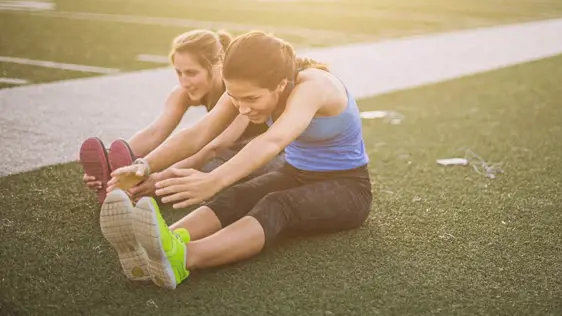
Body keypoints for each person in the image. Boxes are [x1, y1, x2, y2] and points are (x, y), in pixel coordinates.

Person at [100, 31, 373, 289]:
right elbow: (200, 133)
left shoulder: (315, 86)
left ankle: (184, 258)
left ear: (280, 84)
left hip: (347, 187)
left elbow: (272, 140)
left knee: (277, 205)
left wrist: (213, 180)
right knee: (239, 195)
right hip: (295, 172)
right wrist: (143, 165)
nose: (242, 108)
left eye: (251, 99)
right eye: (235, 97)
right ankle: (160, 242)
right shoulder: (247, 88)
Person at [80, 29, 278, 204]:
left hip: (263, 150)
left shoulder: (240, 91)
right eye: (179, 73)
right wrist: (116, 164)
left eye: (192, 73)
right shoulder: (182, 93)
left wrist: (161, 178)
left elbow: (215, 146)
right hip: (225, 151)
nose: (185, 81)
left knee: (197, 170)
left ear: (217, 65)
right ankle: (121, 181)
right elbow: (154, 133)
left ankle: (141, 186)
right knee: (168, 164)